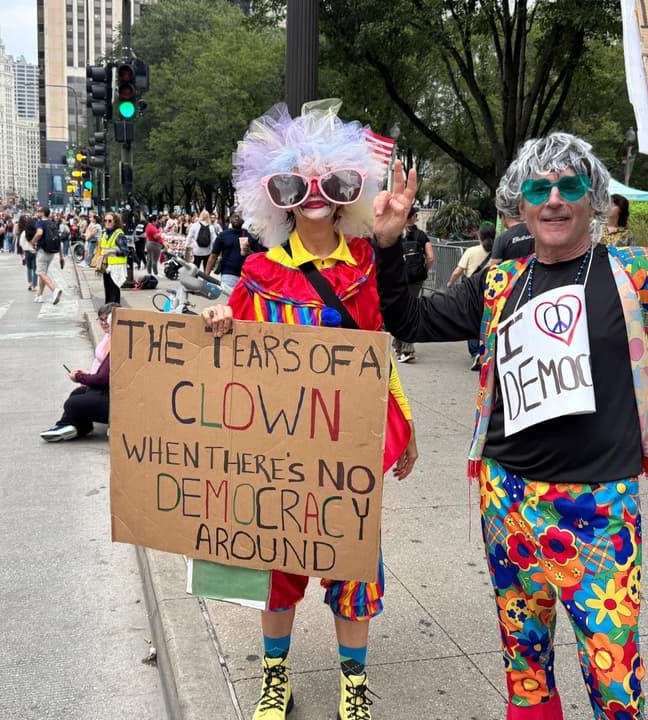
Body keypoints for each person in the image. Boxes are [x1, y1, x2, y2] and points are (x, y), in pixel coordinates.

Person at [374, 132, 648, 720]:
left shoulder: (642, 274)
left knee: (614, 680)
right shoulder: (498, 281)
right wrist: (388, 245)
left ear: (593, 199)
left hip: (599, 511)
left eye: (570, 186)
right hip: (508, 502)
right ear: (519, 203)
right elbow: (407, 317)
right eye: (539, 189)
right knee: (525, 668)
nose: (554, 201)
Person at [200, 100, 418, 720]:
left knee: (351, 569)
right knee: (277, 572)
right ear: (280, 196)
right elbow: (226, 346)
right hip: (280, 455)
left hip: (347, 449)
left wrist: (407, 426)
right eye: (298, 184)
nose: (316, 196)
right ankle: (277, 679)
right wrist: (217, 317)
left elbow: (382, 348)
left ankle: (354, 686)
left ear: (351, 190)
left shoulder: (365, 264)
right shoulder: (260, 272)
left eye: (333, 183)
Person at [41, 302, 117, 441]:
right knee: (76, 394)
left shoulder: (118, 342)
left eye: (107, 320)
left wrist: (80, 377)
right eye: (101, 319)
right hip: (102, 387)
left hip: (111, 393)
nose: (104, 323)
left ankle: (74, 426)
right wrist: (86, 376)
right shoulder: (110, 336)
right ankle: (72, 426)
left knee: (72, 404)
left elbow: (103, 379)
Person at [449, 223, 495, 370]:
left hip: (473, 292)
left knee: (472, 319)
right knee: (487, 322)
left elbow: (458, 271)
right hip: (492, 291)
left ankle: (475, 352)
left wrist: (450, 284)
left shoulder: (471, 251)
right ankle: (487, 352)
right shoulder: (498, 251)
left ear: (479, 236)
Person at [393, 207, 432, 363]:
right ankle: (407, 348)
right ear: (414, 217)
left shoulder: (396, 234)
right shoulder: (421, 235)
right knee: (410, 310)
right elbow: (430, 257)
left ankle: (398, 345)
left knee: (398, 309)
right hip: (416, 279)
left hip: (397, 277)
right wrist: (423, 271)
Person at [205, 211, 250, 294]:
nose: (237, 218)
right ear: (230, 219)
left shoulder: (249, 235)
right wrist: (206, 275)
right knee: (230, 301)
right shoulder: (223, 235)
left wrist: (249, 251)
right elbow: (213, 255)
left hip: (246, 275)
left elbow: (259, 255)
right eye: (234, 216)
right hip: (228, 273)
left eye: (239, 216)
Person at [32, 208, 64, 304]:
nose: (38, 213)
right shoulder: (52, 223)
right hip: (52, 252)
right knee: (43, 274)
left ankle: (54, 290)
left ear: (42, 213)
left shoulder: (40, 223)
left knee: (41, 273)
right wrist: (61, 256)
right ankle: (39, 295)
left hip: (43, 251)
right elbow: (58, 239)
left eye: (39, 211)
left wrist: (33, 242)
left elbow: (39, 233)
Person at [96, 211, 128, 304]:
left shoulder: (119, 234)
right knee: (108, 292)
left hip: (116, 267)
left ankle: (114, 313)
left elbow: (125, 251)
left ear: (115, 222)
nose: (107, 222)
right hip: (107, 266)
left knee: (114, 293)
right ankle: (108, 313)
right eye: (105, 220)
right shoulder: (105, 234)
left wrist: (112, 251)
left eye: (110, 221)